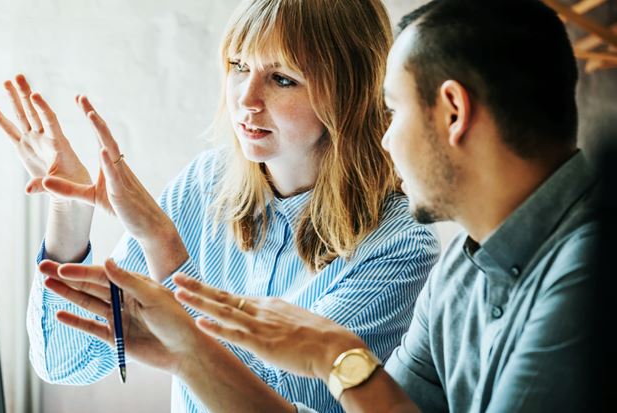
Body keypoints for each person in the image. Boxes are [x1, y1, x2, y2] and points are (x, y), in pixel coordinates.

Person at [0, 0, 439, 411]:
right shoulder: (206, 183)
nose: (246, 99)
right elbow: (67, 362)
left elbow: (270, 399)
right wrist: (69, 213)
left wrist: (163, 244)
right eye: (239, 67)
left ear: (350, 92)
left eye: (282, 78)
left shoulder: (400, 244)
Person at [170, 0, 598, 411]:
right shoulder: (459, 274)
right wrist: (185, 351)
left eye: (393, 110)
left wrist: (336, 355)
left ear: (453, 112)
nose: (384, 139)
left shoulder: (591, 277)